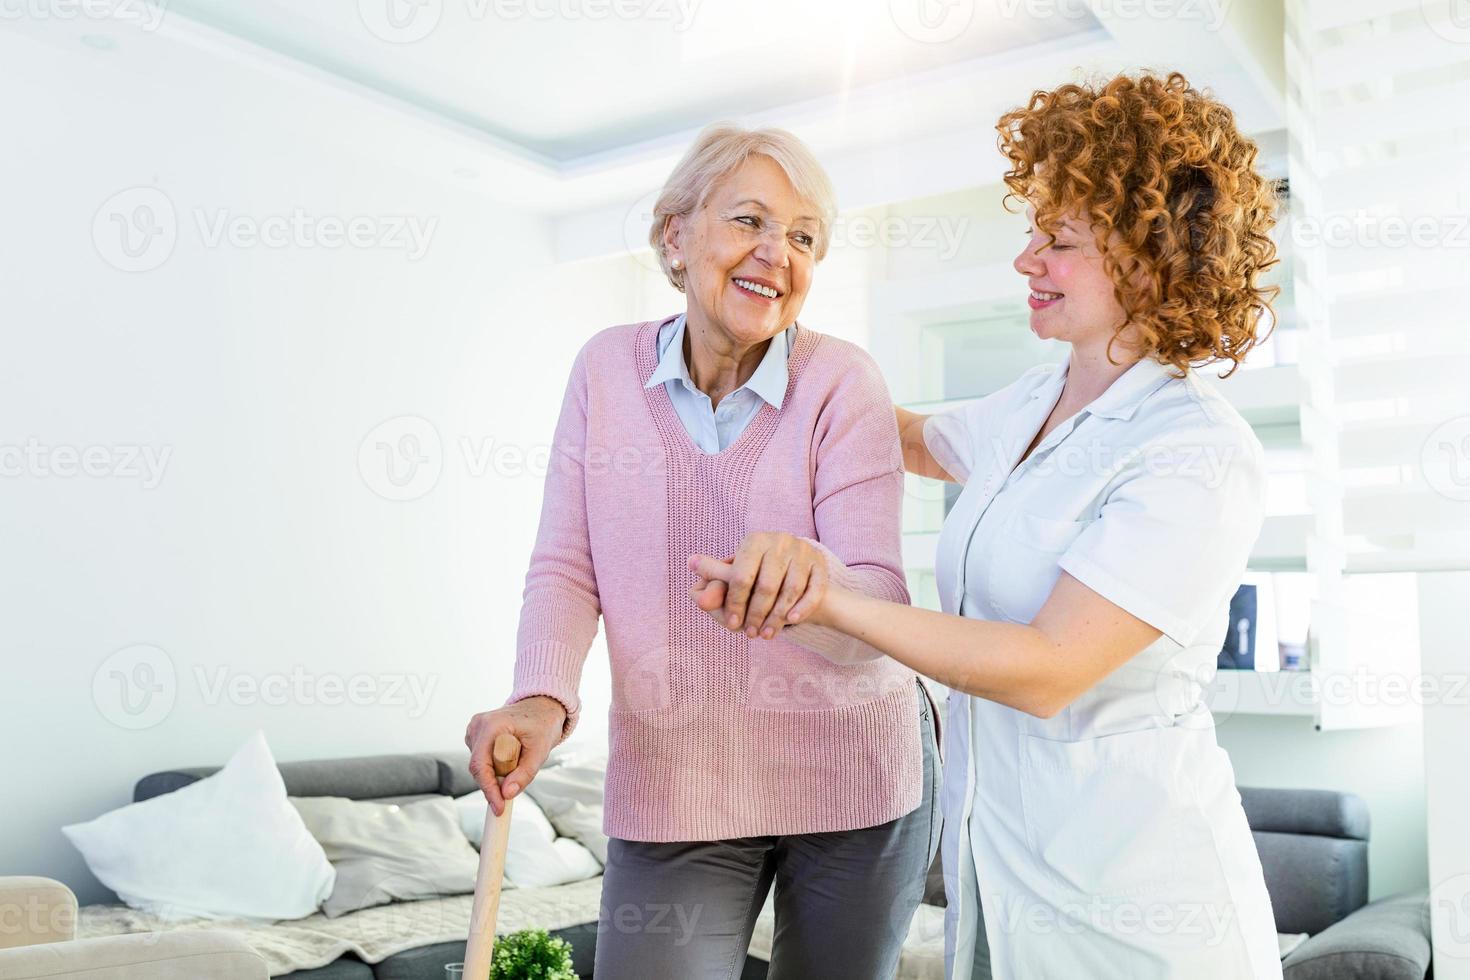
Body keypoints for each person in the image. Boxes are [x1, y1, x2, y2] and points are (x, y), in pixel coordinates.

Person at [693, 72, 1284, 978]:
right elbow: (912, 440)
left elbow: (1046, 669)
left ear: (1148, 257)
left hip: (1142, 917)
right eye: (1032, 233)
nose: (1027, 261)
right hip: (999, 883)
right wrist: (774, 341)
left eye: (1059, 241)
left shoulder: (1196, 450)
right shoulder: (1038, 398)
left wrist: (832, 598)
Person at [465, 123, 939, 979]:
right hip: (678, 779)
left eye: (802, 237)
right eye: (750, 220)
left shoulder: (841, 381)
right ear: (676, 235)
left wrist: (815, 580)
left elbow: (880, 606)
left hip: (855, 773)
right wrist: (540, 699)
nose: (777, 254)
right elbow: (566, 564)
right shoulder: (605, 370)